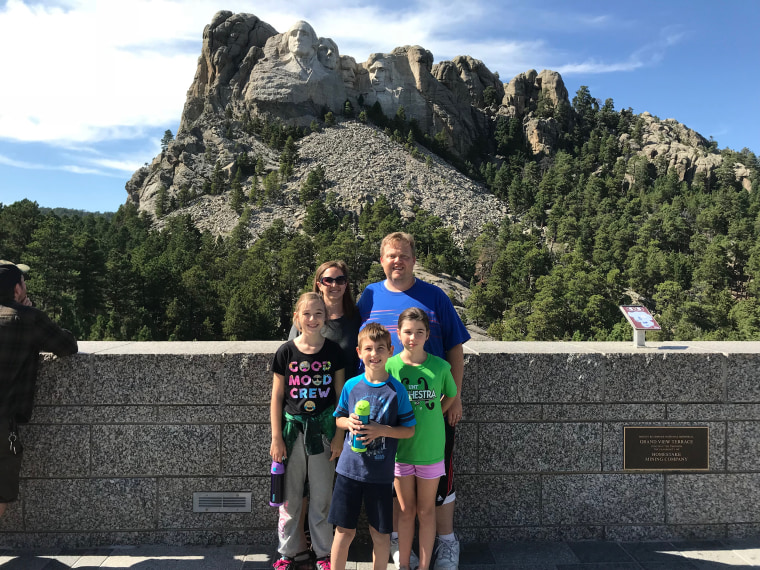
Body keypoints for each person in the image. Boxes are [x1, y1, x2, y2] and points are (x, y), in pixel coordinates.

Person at [356, 232, 470, 570]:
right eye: (391, 256)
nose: (397, 261)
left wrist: (455, 397)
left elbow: (455, 350)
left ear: (414, 259)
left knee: (441, 480)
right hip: (386, 416)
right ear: (381, 260)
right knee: (394, 480)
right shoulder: (369, 296)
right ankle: (398, 543)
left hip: (433, 411)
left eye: (404, 255)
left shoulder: (434, 296)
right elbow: (357, 346)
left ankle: (446, 544)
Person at [328, 323, 416, 570]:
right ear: (359, 352)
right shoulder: (351, 385)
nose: (374, 354)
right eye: (368, 349)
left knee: (381, 534)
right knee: (343, 531)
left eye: (380, 348)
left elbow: (409, 429)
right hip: (348, 471)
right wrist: (349, 423)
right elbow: (339, 418)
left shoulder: (397, 391)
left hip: (380, 475)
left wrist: (382, 430)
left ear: (390, 351)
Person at [270, 292, 346, 570]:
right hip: (292, 433)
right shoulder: (285, 352)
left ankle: (324, 553)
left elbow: (341, 396)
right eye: (307, 314)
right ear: (297, 319)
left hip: (324, 432)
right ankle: (287, 553)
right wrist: (277, 438)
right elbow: (277, 397)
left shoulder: (334, 351)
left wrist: (339, 435)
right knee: (290, 499)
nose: (312, 319)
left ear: (325, 318)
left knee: (322, 497)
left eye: (318, 314)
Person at [0, 261, 78, 518]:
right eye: (23, 281)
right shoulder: (26, 319)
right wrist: (28, 311)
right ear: (16, 289)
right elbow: (67, 345)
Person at [386, 308, 457, 570]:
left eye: (419, 332)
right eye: (407, 332)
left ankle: (425, 566)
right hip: (401, 451)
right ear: (398, 333)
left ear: (427, 334)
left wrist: (438, 410)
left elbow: (451, 393)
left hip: (430, 450)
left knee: (426, 512)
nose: (413, 337)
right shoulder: (391, 366)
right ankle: (404, 564)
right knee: (405, 512)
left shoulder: (440, 366)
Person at [290, 261, 361, 378]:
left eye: (340, 280)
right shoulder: (306, 320)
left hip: (348, 392)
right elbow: (291, 359)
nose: (334, 285)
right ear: (319, 285)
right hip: (312, 391)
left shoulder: (357, 318)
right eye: (328, 280)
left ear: (346, 284)